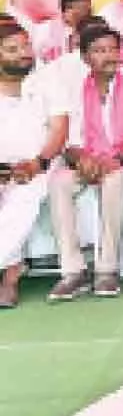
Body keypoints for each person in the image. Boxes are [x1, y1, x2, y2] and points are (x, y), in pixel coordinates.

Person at [48, 25, 123, 301]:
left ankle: (106, 269)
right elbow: (70, 138)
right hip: (88, 159)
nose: (109, 56)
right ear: (85, 57)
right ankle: (73, 271)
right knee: (59, 183)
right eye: (100, 51)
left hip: (122, 159)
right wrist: (84, 160)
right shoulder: (74, 89)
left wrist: (118, 158)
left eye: (113, 49)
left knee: (114, 182)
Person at [0, 21, 68, 308]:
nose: (23, 53)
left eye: (25, 45)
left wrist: (38, 162)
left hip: (43, 163)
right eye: (12, 49)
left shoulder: (49, 79)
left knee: (24, 195)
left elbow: (59, 130)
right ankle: (10, 272)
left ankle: (9, 279)